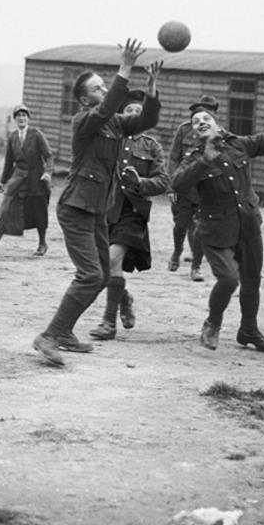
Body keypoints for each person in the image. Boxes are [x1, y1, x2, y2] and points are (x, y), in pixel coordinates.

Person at [33, 40, 164, 367]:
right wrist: (125, 68)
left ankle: (63, 333)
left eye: (105, 86)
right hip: (76, 207)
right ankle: (49, 335)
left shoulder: (114, 123)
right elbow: (106, 108)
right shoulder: (84, 121)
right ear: (83, 99)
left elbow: (146, 121)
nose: (104, 91)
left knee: (103, 273)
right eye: (98, 88)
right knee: (91, 274)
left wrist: (151, 87)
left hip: (96, 210)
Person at [171, 95, 264, 354]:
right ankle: (213, 323)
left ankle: (249, 330)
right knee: (228, 279)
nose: (201, 122)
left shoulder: (237, 145)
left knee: (252, 281)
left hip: (248, 225)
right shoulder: (194, 157)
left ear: (217, 124)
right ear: (193, 132)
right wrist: (204, 161)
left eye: (206, 118)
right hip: (215, 230)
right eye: (196, 121)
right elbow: (178, 183)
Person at [89, 90, 169, 340]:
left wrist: (142, 182)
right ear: (121, 115)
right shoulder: (109, 139)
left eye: (139, 112)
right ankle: (123, 298)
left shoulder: (151, 146)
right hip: (106, 208)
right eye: (129, 111)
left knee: (113, 260)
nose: (134, 115)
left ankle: (108, 323)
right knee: (103, 268)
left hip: (133, 212)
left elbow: (163, 181)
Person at [0, 104, 53, 257]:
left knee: (38, 210)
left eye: (24, 115)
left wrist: (48, 172)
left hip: (36, 178)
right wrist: (3, 180)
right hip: (17, 178)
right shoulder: (12, 136)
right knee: (6, 208)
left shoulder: (36, 134)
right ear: (15, 119)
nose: (21, 118)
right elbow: (8, 160)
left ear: (28, 118)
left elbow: (48, 155)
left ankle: (42, 243)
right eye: (18, 116)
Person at [166, 96, 217, 281]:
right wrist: (172, 187)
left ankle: (196, 267)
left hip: (205, 188)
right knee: (180, 225)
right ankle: (177, 251)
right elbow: (173, 158)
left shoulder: (217, 134)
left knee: (201, 229)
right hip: (185, 187)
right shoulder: (184, 130)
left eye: (210, 112)